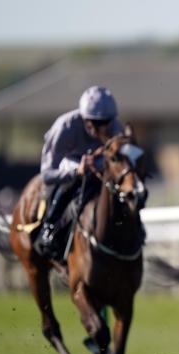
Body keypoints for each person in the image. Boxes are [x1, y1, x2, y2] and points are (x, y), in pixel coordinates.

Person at [33, 86, 123, 260]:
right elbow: (47, 175)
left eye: (107, 122)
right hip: (71, 164)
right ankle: (49, 228)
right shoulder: (64, 127)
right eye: (98, 124)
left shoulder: (115, 127)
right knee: (71, 178)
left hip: (100, 164)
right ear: (86, 120)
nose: (105, 129)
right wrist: (76, 172)